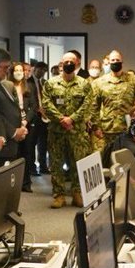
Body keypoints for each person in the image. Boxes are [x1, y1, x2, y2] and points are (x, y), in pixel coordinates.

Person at [41, 51, 94, 208]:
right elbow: (46, 104)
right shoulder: (51, 83)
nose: (69, 64)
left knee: (78, 163)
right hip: (56, 132)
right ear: (61, 64)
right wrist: (61, 119)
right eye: (66, 61)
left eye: (72, 61)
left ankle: (77, 193)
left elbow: (87, 105)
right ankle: (59, 195)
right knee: (56, 163)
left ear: (77, 64)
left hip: (76, 132)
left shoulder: (84, 84)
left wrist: (72, 119)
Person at [92, 51, 135, 156]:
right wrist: (96, 127)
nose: (115, 62)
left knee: (127, 159)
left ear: (122, 62)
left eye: (118, 60)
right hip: (106, 130)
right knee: (105, 159)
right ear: (109, 62)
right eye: (113, 60)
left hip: (128, 129)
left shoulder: (133, 80)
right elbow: (93, 107)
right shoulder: (99, 83)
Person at [2, 61, 39, 191]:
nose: (19, 73)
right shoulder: (6, 86)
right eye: (16, 70)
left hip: (27, 124)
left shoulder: (29, 86)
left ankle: (26, 183)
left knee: (27, 153)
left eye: (21, 70)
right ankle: (15, 183)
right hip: (13, 125)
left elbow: (34, 107)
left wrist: (25, 121)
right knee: (14, 154)